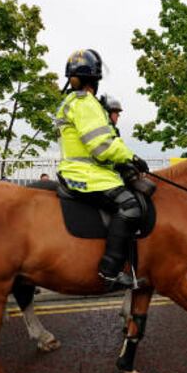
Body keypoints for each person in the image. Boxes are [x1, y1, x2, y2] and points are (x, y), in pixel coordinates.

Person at [56, 49, 149, 289]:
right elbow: (101, 146)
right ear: (94, 80)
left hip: (87, 172)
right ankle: (110, 271)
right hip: (86, 175)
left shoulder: (74, 101)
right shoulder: (85, 103)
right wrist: (132, 157)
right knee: (129, 206)